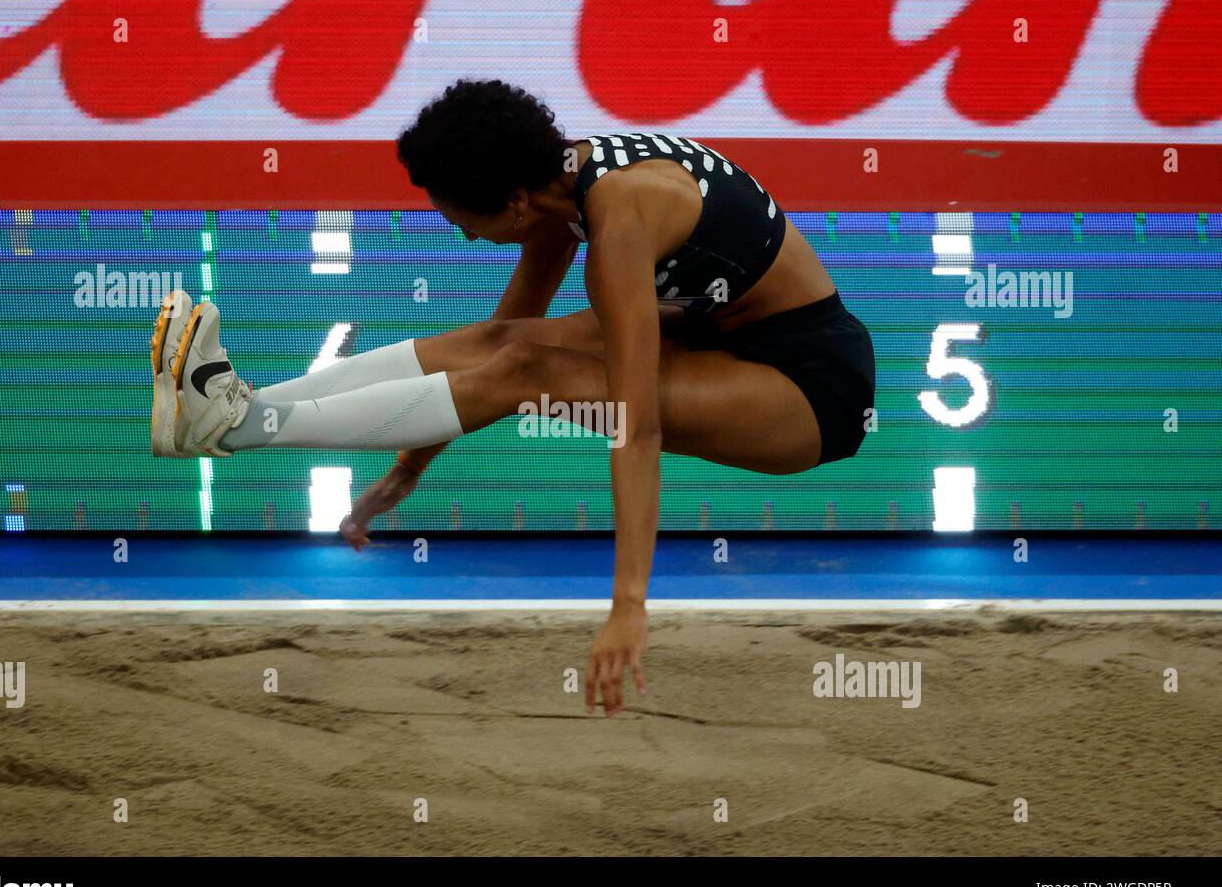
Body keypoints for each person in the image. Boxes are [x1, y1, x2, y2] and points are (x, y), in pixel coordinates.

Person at [150, 79, 875, 717]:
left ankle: (241, 427)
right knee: (503, 345)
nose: (464, 234)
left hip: (813, 388)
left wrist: (628, 608)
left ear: (516, 201)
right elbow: (498, 343)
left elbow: (635, 429)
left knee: (530, 369)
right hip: (724, 332)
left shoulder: (619, 223)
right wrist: (409, 470)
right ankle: (233, 407)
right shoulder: (564, 187)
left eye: (465, 219)